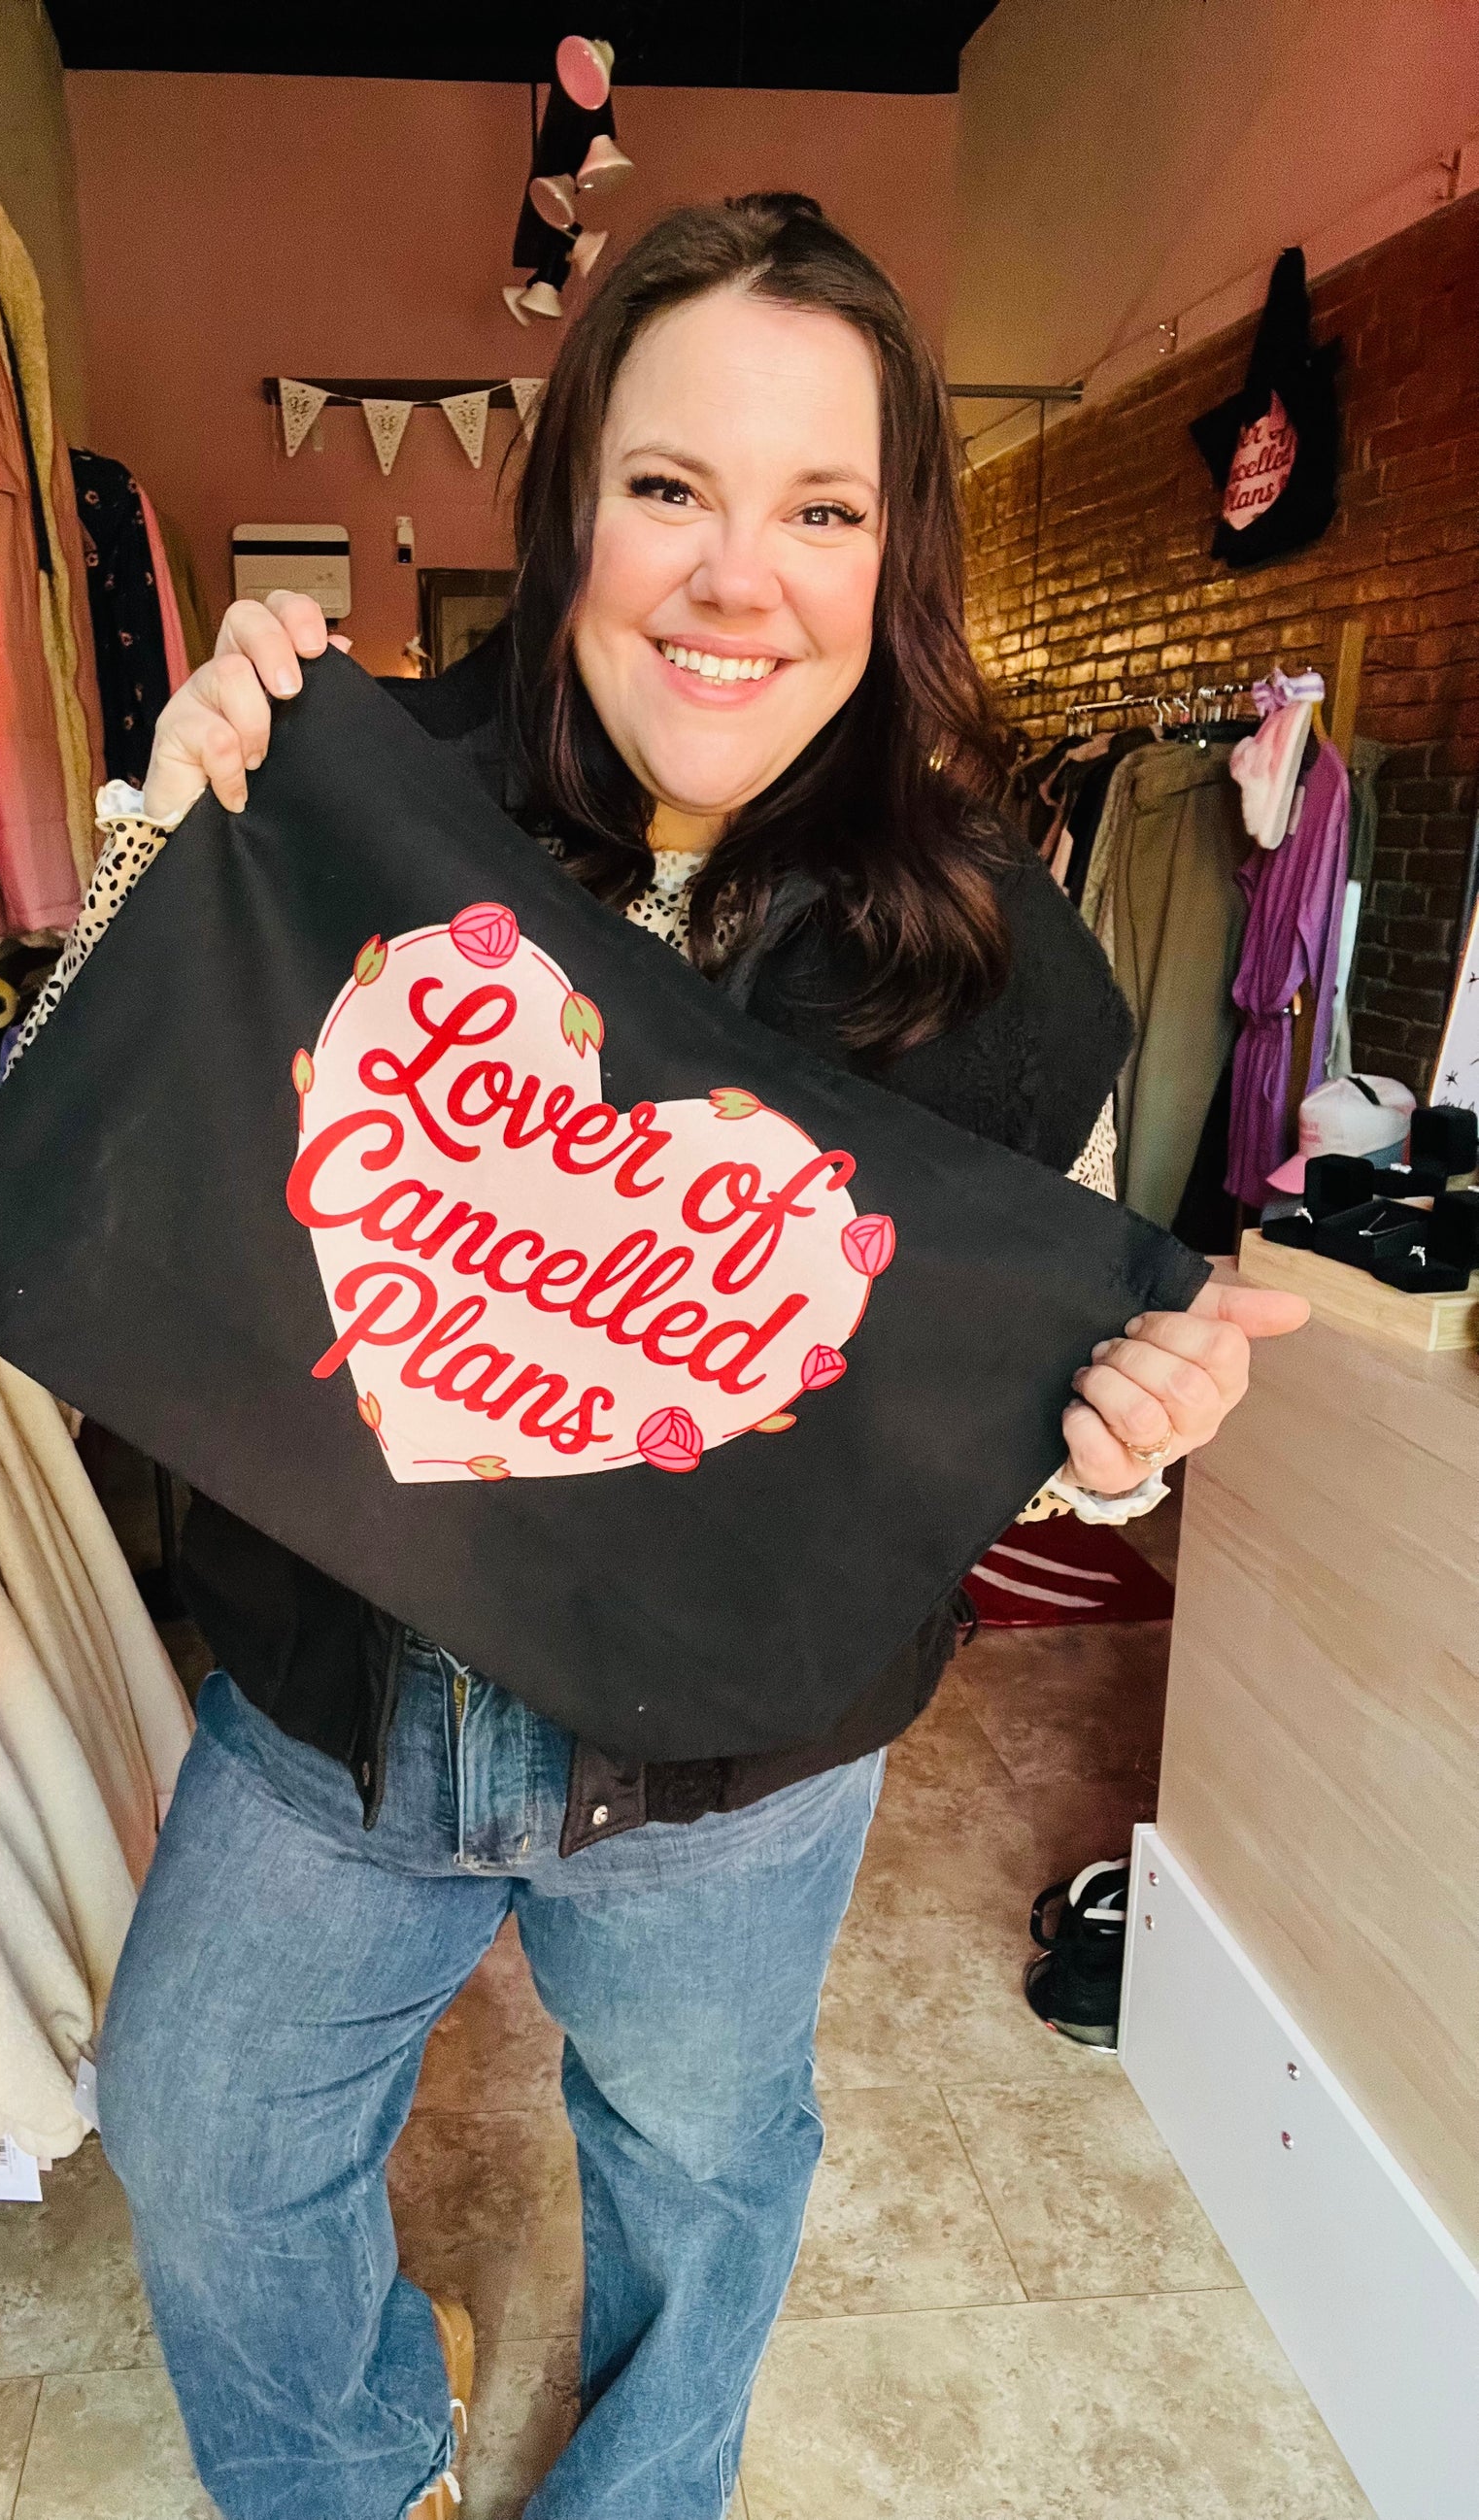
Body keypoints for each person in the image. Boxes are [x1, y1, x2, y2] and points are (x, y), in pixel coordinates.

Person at [90, 195, 1306, 2520]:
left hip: (727, 1764)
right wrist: (182, 839)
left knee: (707, 2151)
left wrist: (1112, 1443)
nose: (738, 578)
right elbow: (161, 1169)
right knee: (199, 2127)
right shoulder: (350, 794)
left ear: (894, 550)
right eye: (671, 486)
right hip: (349, 1692)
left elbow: (990, 1398)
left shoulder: (1004, 965)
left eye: (820, 508)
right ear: (571, 503)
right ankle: (349, 2463)